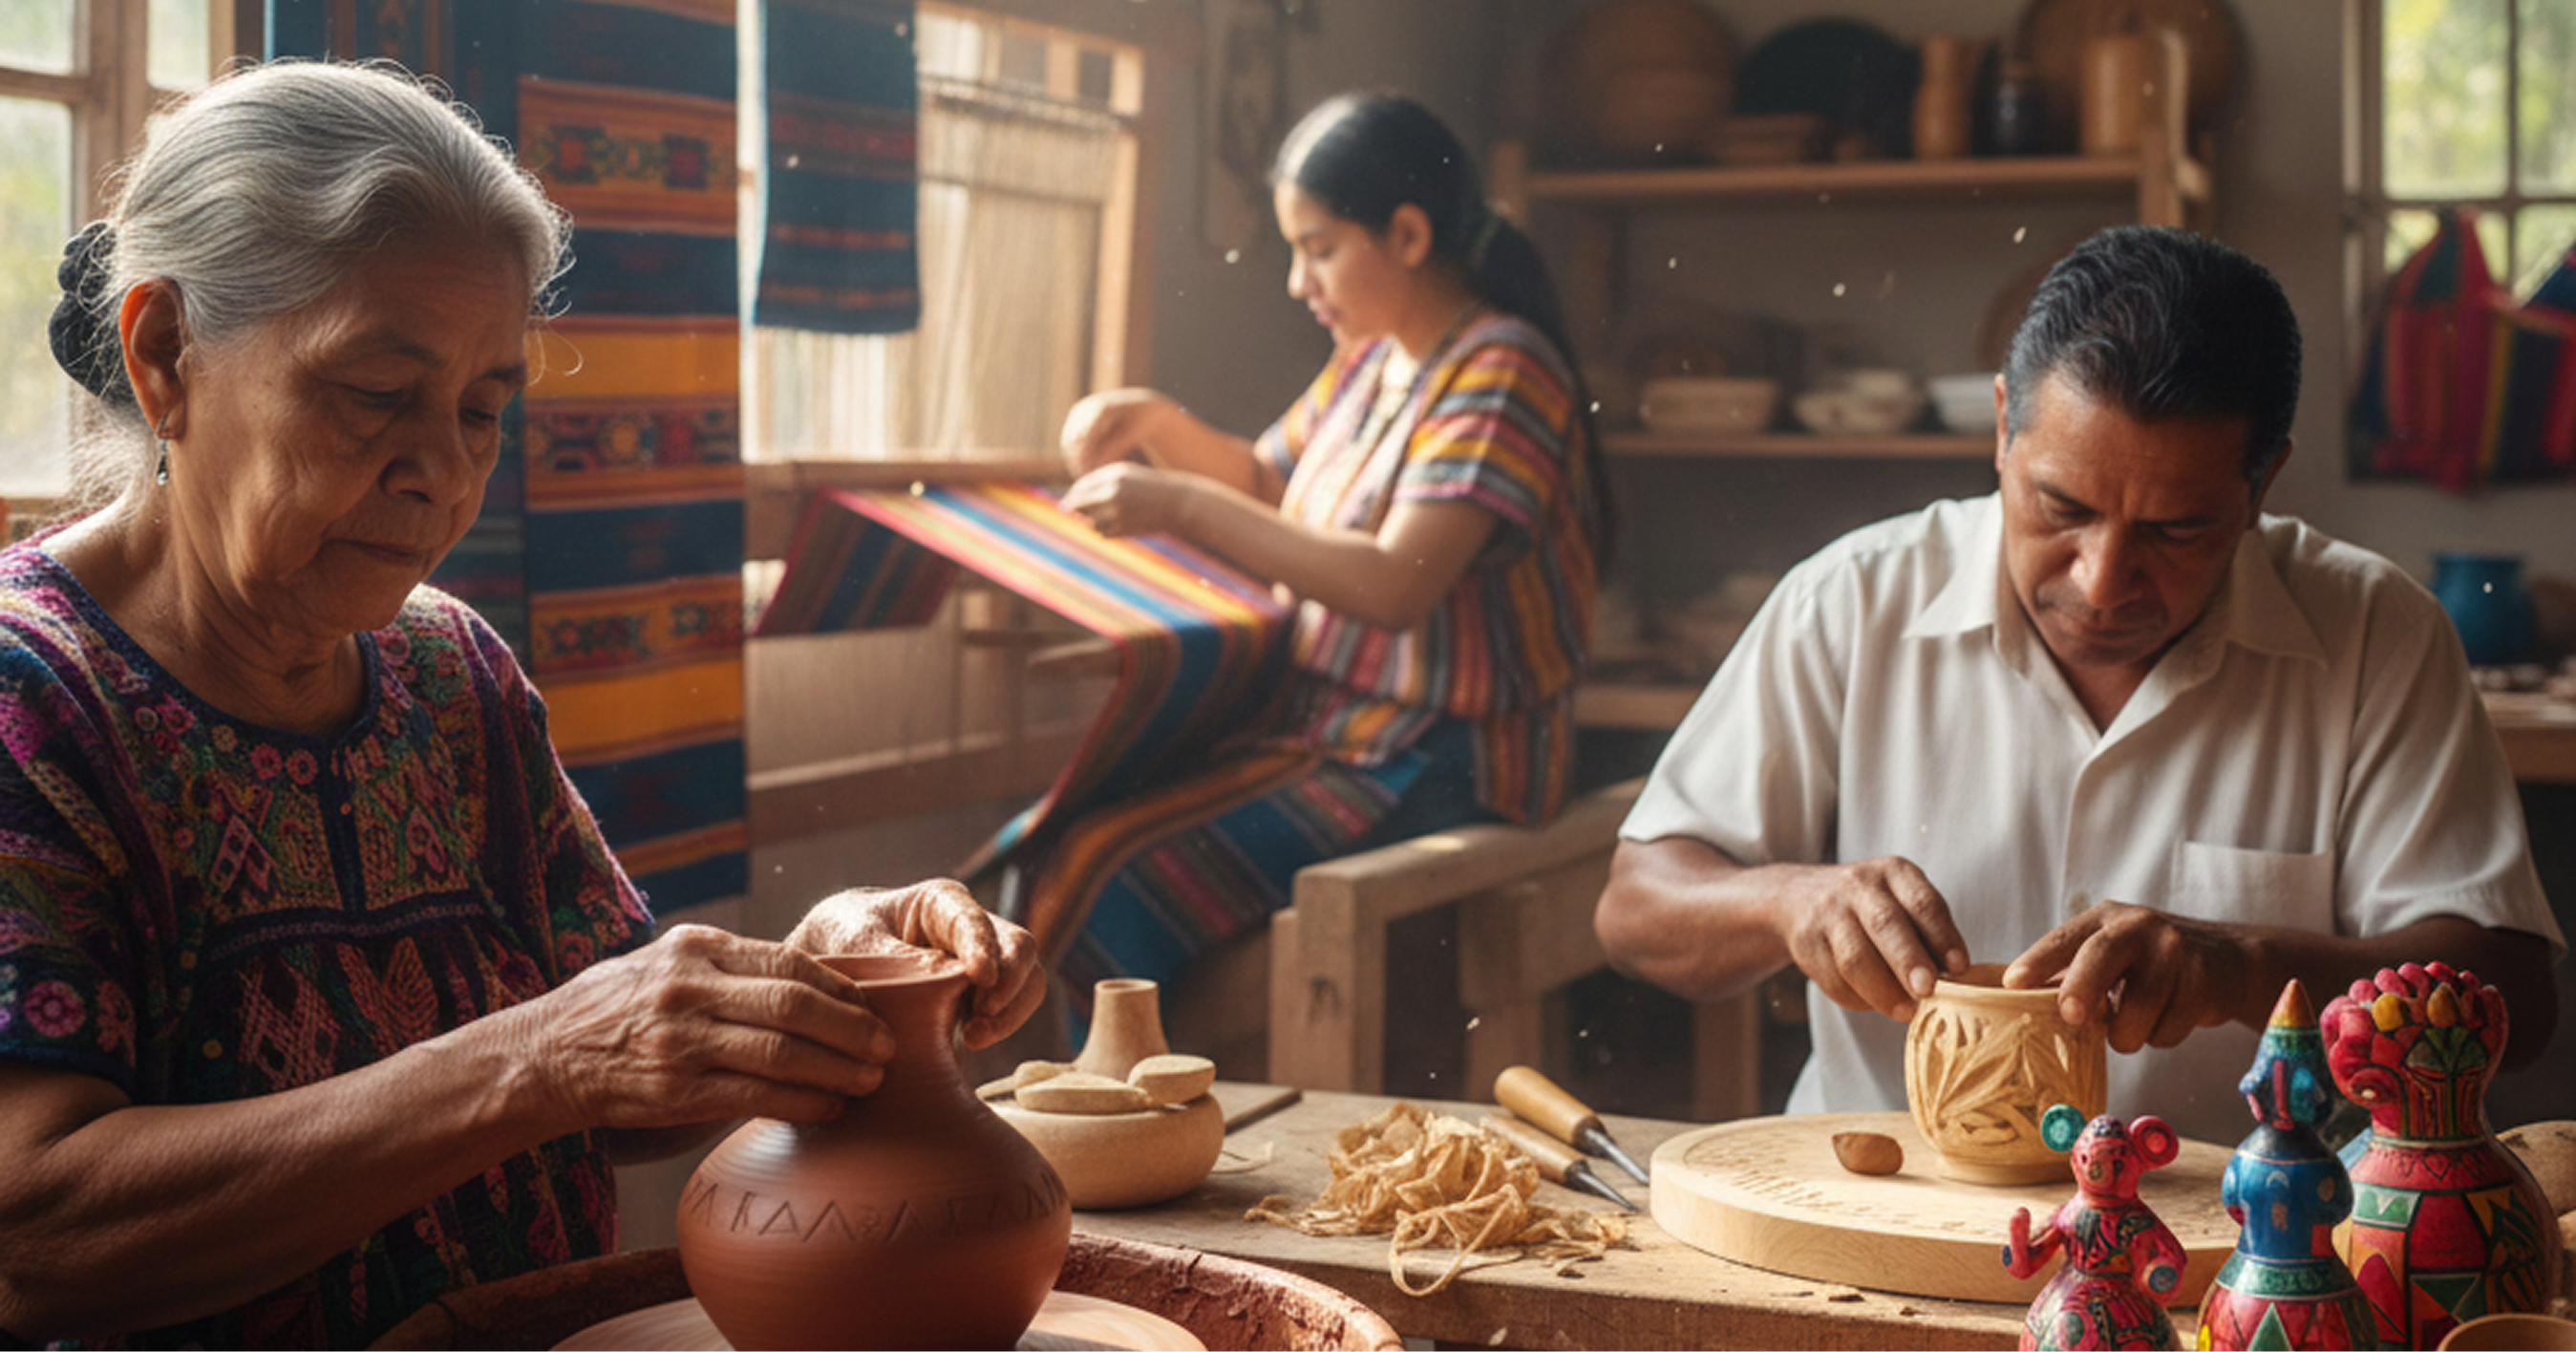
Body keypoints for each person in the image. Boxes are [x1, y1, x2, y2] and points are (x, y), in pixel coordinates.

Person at [0, 61, 1042, 1351]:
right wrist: (534, 1059)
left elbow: (614, 1081)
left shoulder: (451, 674)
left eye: (485, 408)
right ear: (165, 353)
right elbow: (32, 1232)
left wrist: (815, 978)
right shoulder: (29, 698)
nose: (440, 471)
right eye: (376, 394)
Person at [1595, 225, 2564, 1146]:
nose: (2101, 581)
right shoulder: (1851, 601)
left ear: (2262, 483)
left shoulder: (2373, 635)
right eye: (2063, 506)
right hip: (1879, 1216)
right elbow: (1636, 909)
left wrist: (2249, 966)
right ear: (2005, 429)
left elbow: (2514, 1004)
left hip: (2241, 1250)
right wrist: (1787, 900)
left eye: (2176, 530)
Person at [1032, 91, 1607, 1001]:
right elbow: (1268, 484)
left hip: (1445, 759)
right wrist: (1153, 420)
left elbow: (1391, 583)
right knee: (1067, 839)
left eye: (1319, 249)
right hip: (1349, 737)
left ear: (1408, 236)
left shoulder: (1503, 369)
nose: (1300, 283)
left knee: (1107, 873)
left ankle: (1128, 1124)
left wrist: (1176, 501)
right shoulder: (1374, 360)